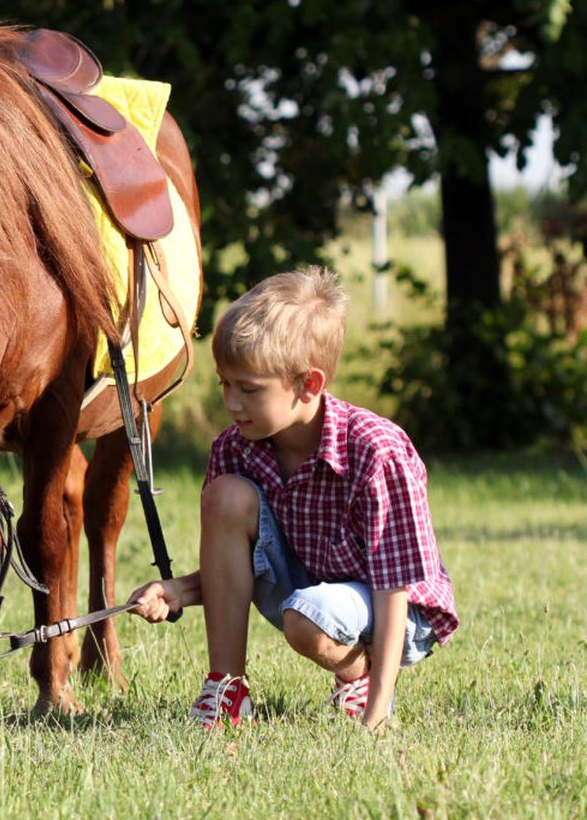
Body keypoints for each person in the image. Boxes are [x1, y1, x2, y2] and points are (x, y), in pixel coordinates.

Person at [129, 266, 457, 730]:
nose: (232, 403)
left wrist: (377, 712)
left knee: (307, 617)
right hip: (308, 593)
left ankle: (359, 678)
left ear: (310, 384)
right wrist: (178, 590)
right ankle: (226, 690)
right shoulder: (232, 448)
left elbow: (393, 587)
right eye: (225, 383)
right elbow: (241, 567)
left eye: (249, 389)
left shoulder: (374, 450)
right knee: (227, 498)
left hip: (397, 613)